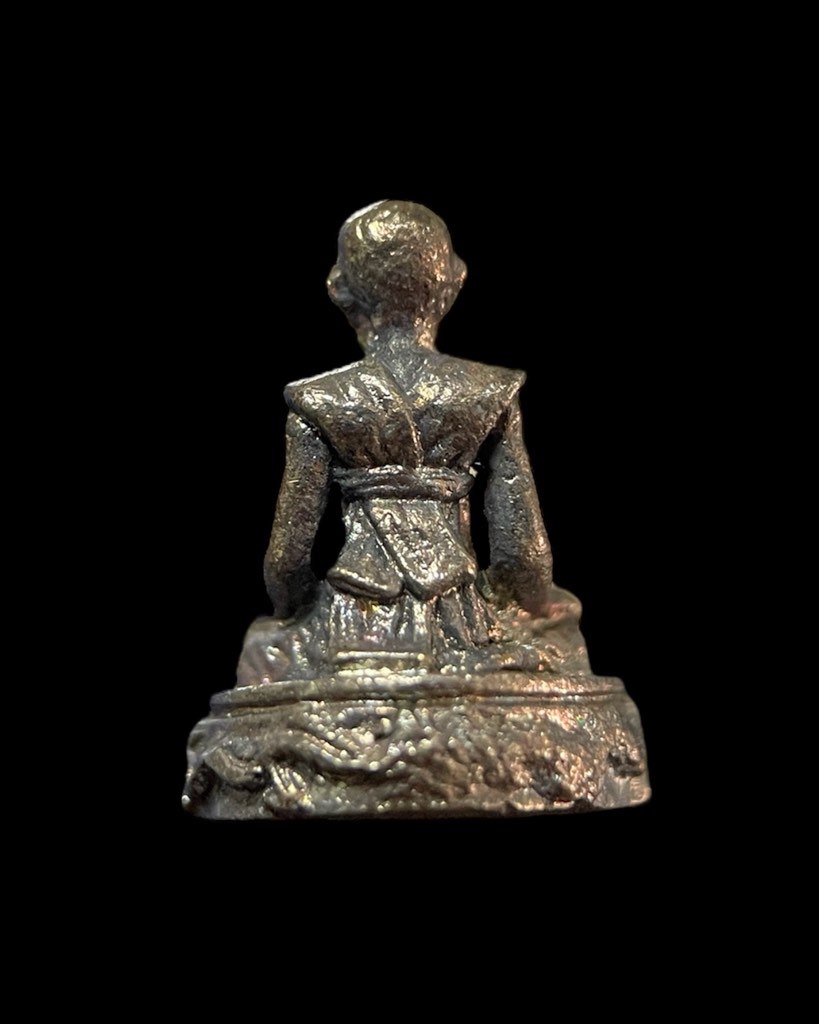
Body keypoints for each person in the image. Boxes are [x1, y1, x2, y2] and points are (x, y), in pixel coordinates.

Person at [237, 201, 585, 687]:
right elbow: (524, 555)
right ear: (453, 283)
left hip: (354, 615)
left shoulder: (319, 401)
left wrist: (296, 612)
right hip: (463, 617)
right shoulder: (489, 393)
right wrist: (521, 608)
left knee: (267, 650)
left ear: (339, 288)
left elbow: (286, 561)